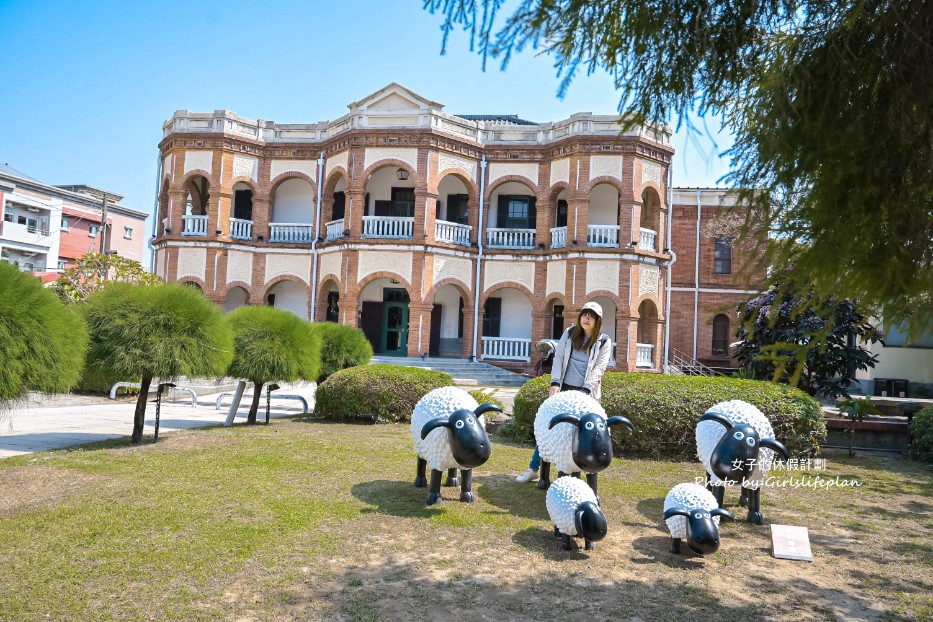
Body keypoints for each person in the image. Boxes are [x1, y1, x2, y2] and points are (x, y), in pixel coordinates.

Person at [516, 301, 613, 483]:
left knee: (586, 433)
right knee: (549, 428)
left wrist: (585, 391)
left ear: (598, 320)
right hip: (563, 390)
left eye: (591, 316)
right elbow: (558, 358)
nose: (586, 318)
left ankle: (583, 471)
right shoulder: (569, 334)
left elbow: (599, 369)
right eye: (584, 314)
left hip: (587, 395)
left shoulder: (604, 342)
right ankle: (534, 468)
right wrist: (554, 383)